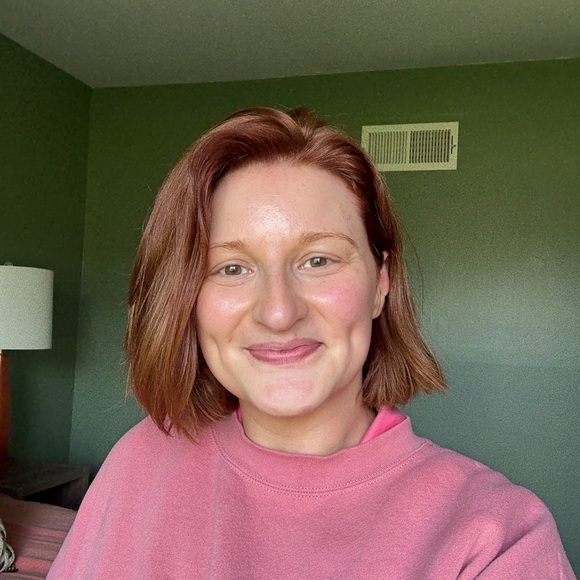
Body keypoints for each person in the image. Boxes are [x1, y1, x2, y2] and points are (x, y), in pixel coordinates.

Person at [48, 107, 574, 579]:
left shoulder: (496, 539)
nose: (279, 312)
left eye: (318, 260)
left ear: (381, 283)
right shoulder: (141, 458)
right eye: (231, 268)